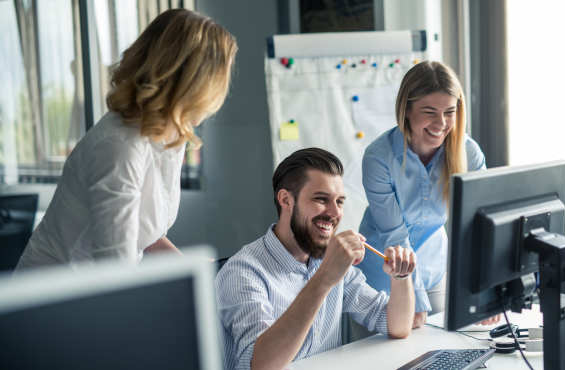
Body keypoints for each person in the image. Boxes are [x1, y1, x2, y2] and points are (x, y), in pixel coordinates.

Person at [14, 9, 237, 274]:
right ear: (195, 83)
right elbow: (115, 268)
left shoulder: (169, 135)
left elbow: (143, 231)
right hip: (55, 295)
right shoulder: (119, 146)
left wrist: (191, 268)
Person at [215, 148, 417, 370]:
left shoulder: (328, 259)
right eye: (321, 199)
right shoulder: (242, 272)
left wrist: (401, 276)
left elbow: (396, 326)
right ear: (286, 200)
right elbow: (261, 365)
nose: (334, 213)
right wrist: (325, 278)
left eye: (339, 201)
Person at [356, 61, 500, 329]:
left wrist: (484, 286)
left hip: (434, 273)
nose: (441, 123)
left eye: (449, 112)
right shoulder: (379, 158)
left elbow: (479, 227)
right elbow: (395, 238)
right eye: (429, 111)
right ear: (407, 109)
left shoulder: (468, 154)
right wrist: (414, 302)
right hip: (380, 280)